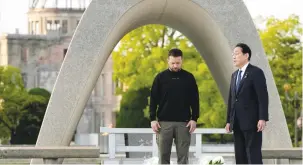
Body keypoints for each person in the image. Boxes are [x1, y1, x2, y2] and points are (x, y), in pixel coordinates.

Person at [149, 48, 199, 164]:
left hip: (184, 123)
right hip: (163, 123)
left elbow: (195, 100)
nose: (175, 65)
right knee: (163, 158)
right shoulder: (160, 78)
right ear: (168, 61)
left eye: (178, 63)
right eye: (173, 63)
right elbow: (153, 100)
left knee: (183, 158)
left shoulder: (189, 78)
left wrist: (194, 118)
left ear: (182, 61)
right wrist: (152, 119)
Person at [225, 43, 269, 164]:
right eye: (233, 54)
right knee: (239, 155)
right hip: (237, 122)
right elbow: (231, 99)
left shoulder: (256, 72)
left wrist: (262, 118)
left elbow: (263, 97)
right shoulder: (234, 75)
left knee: (253, 154)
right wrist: (228, 120)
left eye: (237, 54)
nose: (234, 56)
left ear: (246, 55)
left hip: (252, 122)